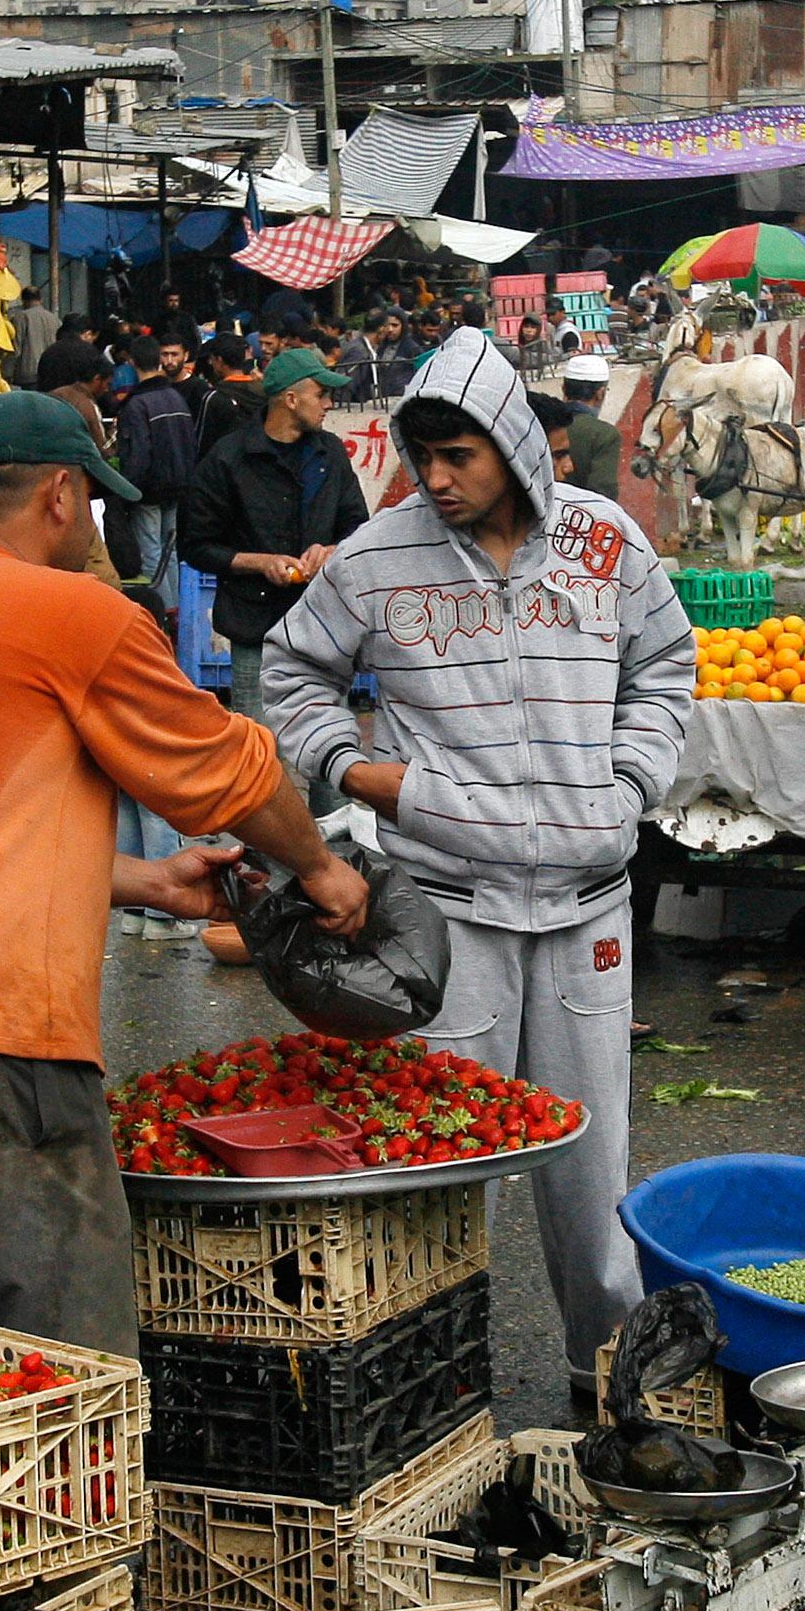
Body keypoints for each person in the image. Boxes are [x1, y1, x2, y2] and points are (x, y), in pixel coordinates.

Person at [0, 393, 368, 1351]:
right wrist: (321, 866)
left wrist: (144, 882)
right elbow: (235, 772)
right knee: (65, 1352)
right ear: (62, 496)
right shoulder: (72, 611)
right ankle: (76, 1507)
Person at [264, 330, 693, 1383]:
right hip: (451, 916)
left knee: (593, 1177)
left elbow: (667, 666)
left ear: (512, 442)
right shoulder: (376, 558)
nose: (439, 479)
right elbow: (293, 672)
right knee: (437, 1169)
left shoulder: (604, 544)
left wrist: (629, 785)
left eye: (461, 455)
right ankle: (424, 1394)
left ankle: (614, 1387)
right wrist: (360, 774)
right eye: (425, 459)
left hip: (590, 906)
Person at [178, 346, 367, 714]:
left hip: (323, 625)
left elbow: (357, 525)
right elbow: (196, 545)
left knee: (330, 750)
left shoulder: (330, 453)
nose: (329, 403)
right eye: (321, 394)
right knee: (261, 752)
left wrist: (329, 550)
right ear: (291, 400)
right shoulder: (228, 459)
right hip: (255, 629)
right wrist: (261, 563)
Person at [110, 335, 202, 587]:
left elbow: (137, 455)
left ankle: (160, 612)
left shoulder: (136, 404)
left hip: (149, 491)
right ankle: (176, 612)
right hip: (178, 485)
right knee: (169, 552)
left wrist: (128, 491)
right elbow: (189, 443)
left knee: (150, 552)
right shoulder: (175, 396)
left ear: (131, 362)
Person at [554, 353, 626, 492]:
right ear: (600, 393)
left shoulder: (542, 424)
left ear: (564, 389)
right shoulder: (605, 435)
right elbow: (604, 492)